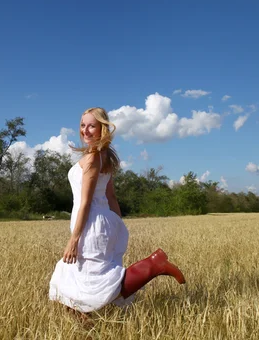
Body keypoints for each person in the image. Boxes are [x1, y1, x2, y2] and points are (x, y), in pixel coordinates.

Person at [48, 107, 186, 316]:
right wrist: (117, 225)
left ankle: (154, 265)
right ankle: (91, 332)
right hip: (99, 224)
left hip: (91, 226)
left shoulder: (95, 157)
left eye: (91, 126)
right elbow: (111, 197)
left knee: (90, 287)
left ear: (102, 129)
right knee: (76, 287)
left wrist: (74, 239)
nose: (85, 130)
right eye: (83, 125)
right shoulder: (104, 156)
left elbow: (85, 201)